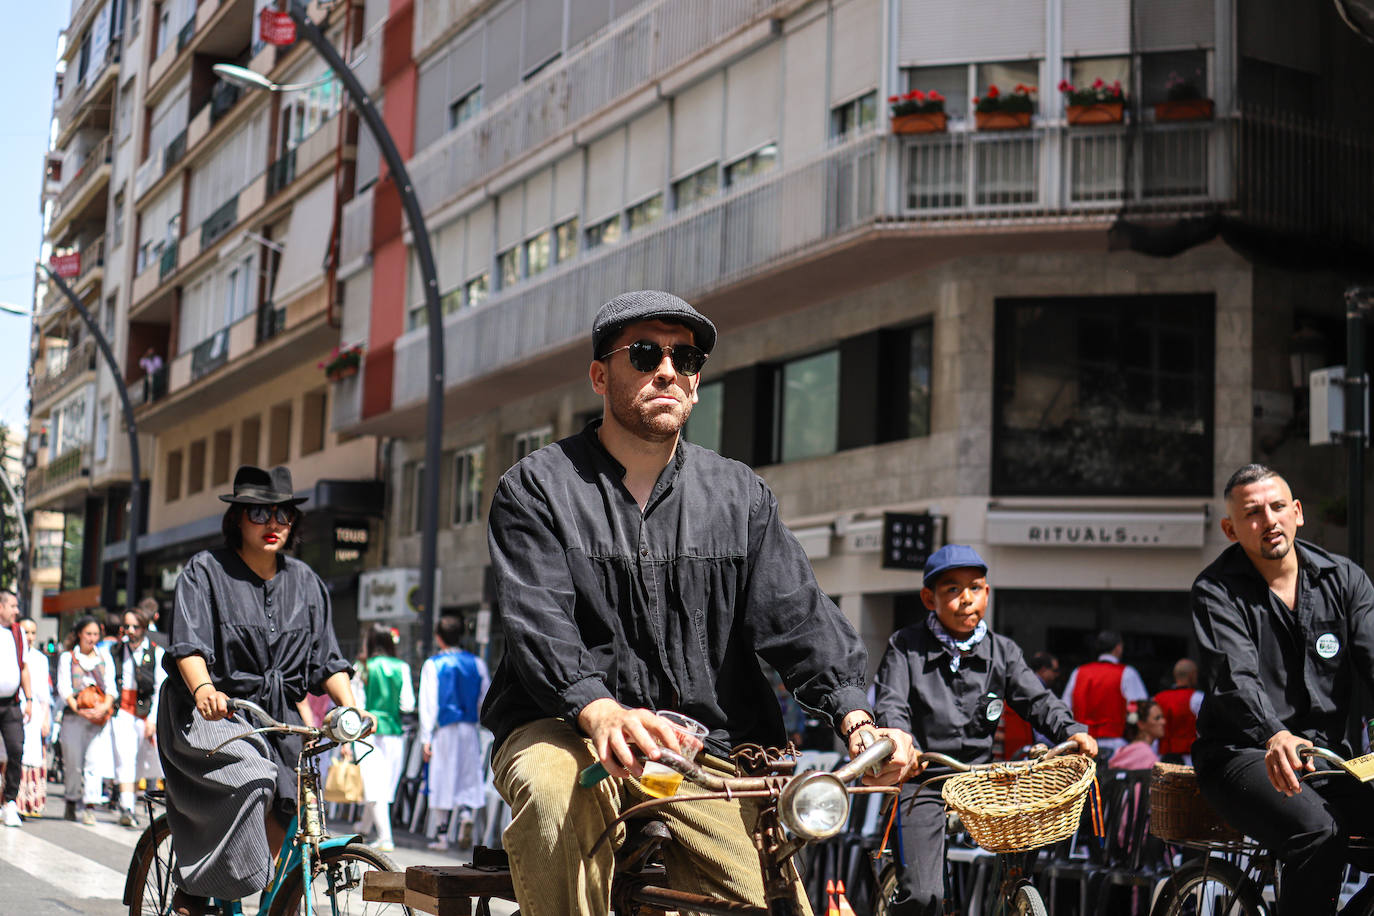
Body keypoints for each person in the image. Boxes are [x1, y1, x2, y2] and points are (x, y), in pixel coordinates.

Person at [480, 290, 914, 916]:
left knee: (754, 898)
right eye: (646, 353)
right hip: (563, 725)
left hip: (702, 751)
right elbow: (539, 624)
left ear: (697, 383)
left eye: (685, 358)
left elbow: (799, 616)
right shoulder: (537, 488)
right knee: (553, 797)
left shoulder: (739, 494)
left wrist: (857, 719)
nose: (667, 370)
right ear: (600, 375)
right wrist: (597, 709)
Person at [157, 465, 364, 916]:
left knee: (296, 794)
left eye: (283, 514)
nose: (273, 525)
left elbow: (327, 660)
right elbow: (187, 646)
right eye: (259, 513)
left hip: (275, 715)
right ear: (236, 519)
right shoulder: (204, 571)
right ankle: (197, 892)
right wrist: (205, 689)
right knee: (253, 775)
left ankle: (256, 884)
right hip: (210, 713)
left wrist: (353, 710)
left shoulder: (307, 583)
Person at [874, 545, 1096, 916]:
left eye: (975, 588)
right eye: (952, 590)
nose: (966, 599)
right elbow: (891, 703)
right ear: (929, 598)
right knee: (924, 896)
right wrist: (899, 741)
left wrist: (1072, 732)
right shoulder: (905, 646)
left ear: (987, 593)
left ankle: (1013, 896)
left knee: (1020, 860)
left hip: (982, 780)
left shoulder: (1002, 651)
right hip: (924, 781)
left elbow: (1037, 700)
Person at [1192, 463, 1374, 916]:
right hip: (1244, 754)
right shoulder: (1216, 590)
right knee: (1319, 832)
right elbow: (1235, 679)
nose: (1269, 520)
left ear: (1297, 512)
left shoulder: (1344, 579)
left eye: (1277, 507)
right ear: (1231, 529)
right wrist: (1274, 732)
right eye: (1253, 513)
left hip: (1329, 758)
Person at [419, 616, 488, 851]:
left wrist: (426, 737)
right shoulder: (477, 663)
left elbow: (428, 704)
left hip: (445, 729)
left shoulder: (433, 664)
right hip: (469, 728)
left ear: (439, 637)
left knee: (441, 777)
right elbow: (484, 697)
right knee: (467, 775)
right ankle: (466, 816)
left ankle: (441, 835)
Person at [354, 623, 414, 853]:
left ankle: (385, 837)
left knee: (374, 785)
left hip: (367, 732)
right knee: (382, 787)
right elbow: (407, 704)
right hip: (394, 732)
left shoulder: (363, 666)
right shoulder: (402, 667)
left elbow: (356, 704)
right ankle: (364, 829)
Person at [110, 606, 167, 826]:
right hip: (123, 712)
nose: (131, 631)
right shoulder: (116, 651)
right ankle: (127, 807)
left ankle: (135, 804)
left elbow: (159, 688)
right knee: (125, 758)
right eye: (127, 626)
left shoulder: (155, 652)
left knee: (142, 763)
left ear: (144, 627)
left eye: (135, 626)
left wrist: (152, 719)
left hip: (144, 713)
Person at [57, 615, 116, 825]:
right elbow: (64, 689)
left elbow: (111, 689)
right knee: (73, 762)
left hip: (97, 717)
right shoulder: (68, 658)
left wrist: (103, 708)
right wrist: (79, 709)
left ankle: (90, 805)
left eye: (95, 634)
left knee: (94, 761)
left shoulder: (104, 657)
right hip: (74, 716)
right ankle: (71, 799)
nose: (92, 638)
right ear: (80, 634)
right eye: (88, 634)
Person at [1062, 629, 1149, 758]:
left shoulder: (1078, 673)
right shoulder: (1127, 673)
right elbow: (1143, 709)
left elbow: (1064, 709)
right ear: (1118, 647)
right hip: (1117, 746)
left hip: (1082, 746)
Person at [0, 590, 34, 827]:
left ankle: (9, 803)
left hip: (11, 703)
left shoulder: (18, 633)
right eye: (12, 606)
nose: (17, 611)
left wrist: (29, 698)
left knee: (16, 749)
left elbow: (23, 667)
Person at [17, 617, 52, 818]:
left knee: (31, 756)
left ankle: (28, 802)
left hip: (35, 712)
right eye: (25, 632)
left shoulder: (40, 659)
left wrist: (45, 719)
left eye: (32, 633)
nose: (29, 637)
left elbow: (44, 695)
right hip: (14, 709)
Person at [999, 650, 1060, 760]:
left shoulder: (1024, 687)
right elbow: (1040, 734)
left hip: (1014, 753)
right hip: (1020, 754)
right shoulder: (1035, 691)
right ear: (1043, 670)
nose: (1057, 675)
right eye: (1055, 671)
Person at [1153, 658, 1203, 764]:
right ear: (1193, 675)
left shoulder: (1157, 698)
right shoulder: (1197, 698)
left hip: (1162, 757)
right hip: (1189, 759)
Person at [1108, 699, 1165, 770]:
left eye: (1162, 717)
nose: (1163, 722)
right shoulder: (1146, 755)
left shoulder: (1123, 750)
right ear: (1141, 724)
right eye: (1157, 718)